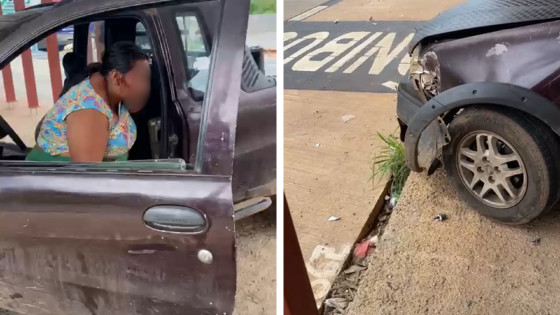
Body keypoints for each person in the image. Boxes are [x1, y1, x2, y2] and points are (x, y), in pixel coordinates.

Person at [27, 41, 151, 162]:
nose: (145, 87)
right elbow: (88, 178)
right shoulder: (88, 111)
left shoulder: (111, 92)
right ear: (116, 78)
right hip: (59, 180)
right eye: (140, 78)